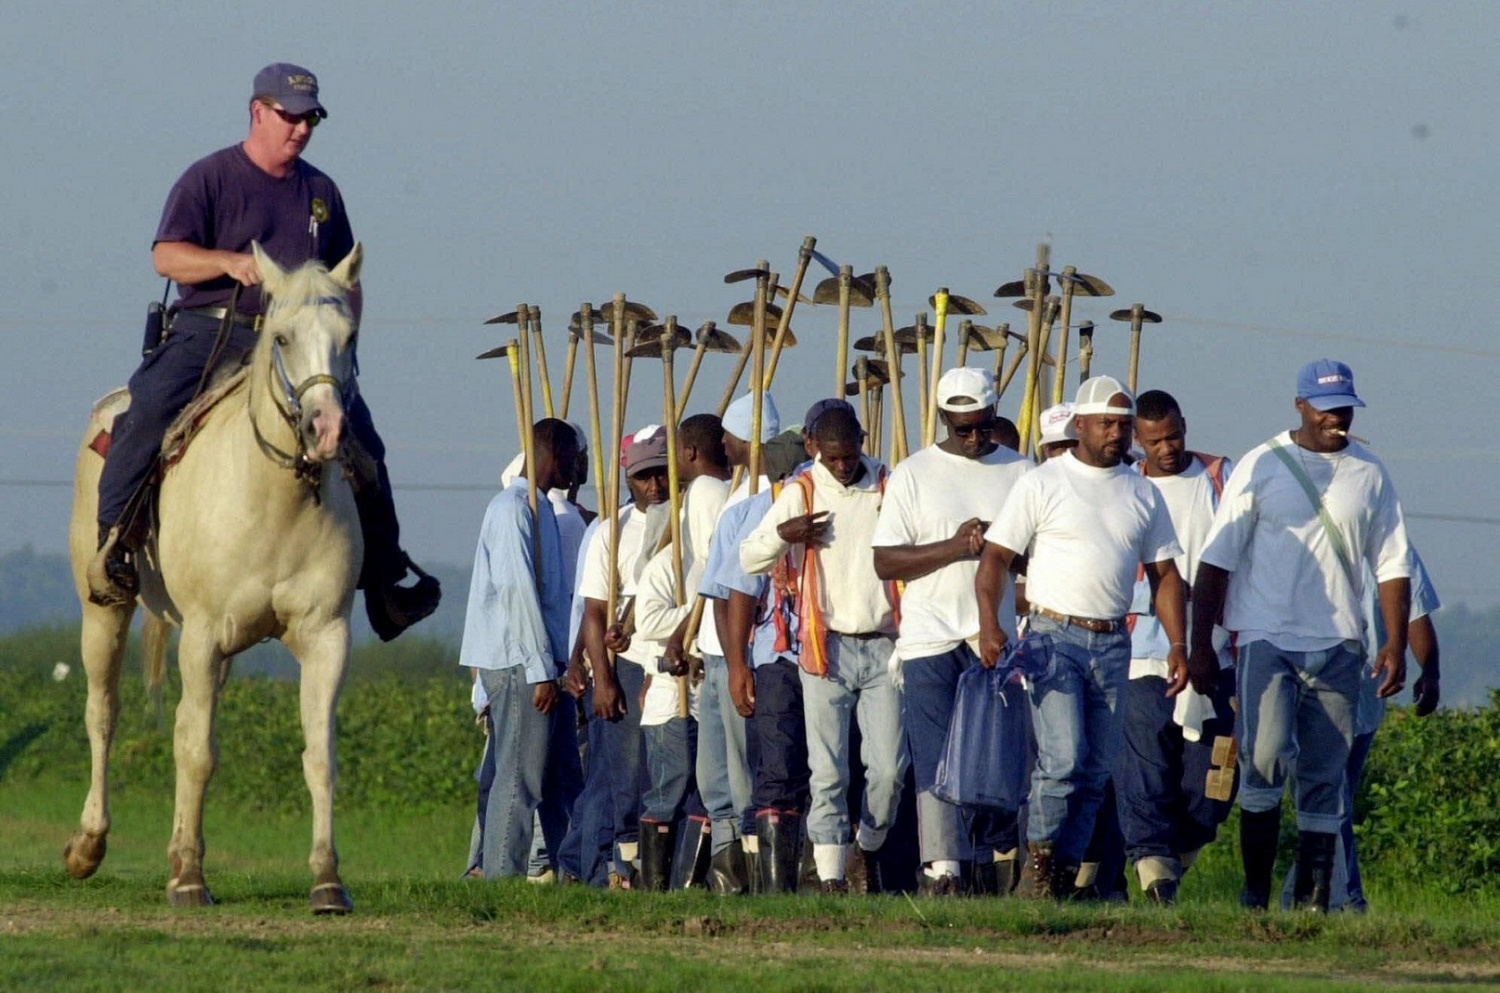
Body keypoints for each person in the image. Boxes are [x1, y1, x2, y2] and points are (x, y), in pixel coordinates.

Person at [88, 62, 438, 640]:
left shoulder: (321, 192)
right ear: (258, 111)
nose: (301, 129)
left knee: (365, 442)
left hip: (299, 345)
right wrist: (226, 262)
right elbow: (167, 257)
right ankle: (114, 545)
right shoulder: (210, 178)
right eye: (290, 116)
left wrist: (343, 341)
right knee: (146, 409)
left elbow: (347, 277)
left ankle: (384, 576)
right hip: (213, 329)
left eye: (311, 120)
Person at [1190, 359, 1412, 913]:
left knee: (1324, 772)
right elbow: (1216, 561)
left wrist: (1395, 643)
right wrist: (1198, 646)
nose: (1335, 418)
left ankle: (1313, 900)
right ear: (1299, 405)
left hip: (1339, 641)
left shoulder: (1371, 473)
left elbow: (1392, 563)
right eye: (1324, 408)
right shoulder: (1263, 464)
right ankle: (1255, 894)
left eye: (1344, 409)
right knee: (1262, 759)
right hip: (1267, 636)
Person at [975, 375, 1187, 899]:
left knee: (1094, 771)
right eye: (1106, 424)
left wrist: (1179, 644)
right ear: (1082, 424)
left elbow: (1165, 576)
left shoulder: (1142, 491)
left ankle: (1063, 874)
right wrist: (989, 623)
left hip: (1114, 641)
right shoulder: (1044, 482)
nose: (1116, 433)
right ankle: (1038, 866)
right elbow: (996, 557)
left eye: (1123, 424)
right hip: (1053, 637)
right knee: (1064, 757)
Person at [871, 368, 1031, 896]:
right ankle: (944, 869)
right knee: (937, 756)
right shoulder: (915, 474)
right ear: (944, 420)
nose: (974, 439)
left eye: (982, 427)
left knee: (990, 756)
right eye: (962, 429)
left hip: (996, 639)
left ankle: (987, 862)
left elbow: (1038, 554)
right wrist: (956, 547)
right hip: (929, 637)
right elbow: (886, 561)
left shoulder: (1021, 472)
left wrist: (1003, 548)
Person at [741, 405, 906, 894]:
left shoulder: (887, 485)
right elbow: (749, 556)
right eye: (832, 458)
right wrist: (783, 536)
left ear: (862, 441)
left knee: (889, 771)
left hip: (883, 646)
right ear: (813, 447)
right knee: (828, 771)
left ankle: (868, 849)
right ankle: (831, 876)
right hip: (823, 647)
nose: (841, 467)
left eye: (849, 456)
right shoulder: (802, 490)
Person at [1115, 390, 1236, 904]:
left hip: (1217, 654)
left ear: (1185, 425)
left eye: (1174, 436)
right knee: (1145, 771)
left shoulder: (1219, 477)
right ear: (1137, 442)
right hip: (1144, 653)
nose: (1166, 449)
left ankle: (1174, 862)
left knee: (1213, 779)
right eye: (1154, 441)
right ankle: (1154, 873)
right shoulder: (1125, 487)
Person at [458, 419, 582, 878]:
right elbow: (516, 592)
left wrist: (558, 664)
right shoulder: (512, 509)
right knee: (519, 779)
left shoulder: (543, 509)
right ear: (553, 454)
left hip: (545, 662)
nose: (576, 467)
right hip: (517, 664)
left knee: (562, 776)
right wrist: (538, 670)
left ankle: (575, 872)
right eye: (572, 457)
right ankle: (501, 879)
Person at [712, 426, 813, 892]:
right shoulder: (752, 515)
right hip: (775, 657)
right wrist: (737, 667)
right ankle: (775, 890)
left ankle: (820, 877)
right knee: (776, 768)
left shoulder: (827, 507)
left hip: (828, 654)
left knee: (826, 769)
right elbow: (736, 594)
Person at [577, 429, 672, 886]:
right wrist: (603, 680)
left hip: (675, 662)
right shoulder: (610, 533)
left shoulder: (684, 520)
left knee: (670, 770)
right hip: (629, 666)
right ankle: (622, 868)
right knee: (627, 774)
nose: (654, 486)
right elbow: (595, 611)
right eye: (643, 477)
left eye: (661, 474)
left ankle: (664, 870)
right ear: (627, 478)